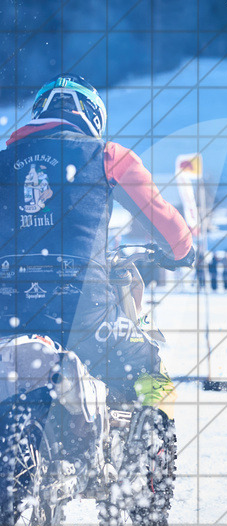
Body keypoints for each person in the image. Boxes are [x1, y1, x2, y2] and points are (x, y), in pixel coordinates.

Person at [0, 73, 194, 410]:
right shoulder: (107, 155)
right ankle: (154, 440)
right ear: (92, 115)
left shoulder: (3, 162)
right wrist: (182, 252)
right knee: (148, 368)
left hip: (8, 309)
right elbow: (166, 224)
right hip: (83, 310)